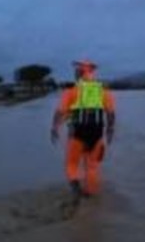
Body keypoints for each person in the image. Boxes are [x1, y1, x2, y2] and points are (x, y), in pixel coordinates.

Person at [50, 60, 116, 205]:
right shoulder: (103, 91)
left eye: (76, 72)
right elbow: (111, 114)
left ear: (79, 74)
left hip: (77, 134)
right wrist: (110, 131)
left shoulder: (71, 91)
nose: (74, 75)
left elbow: (60, 113)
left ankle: (76, 191)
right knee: (92, 166)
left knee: (72, 164)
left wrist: (54, 129)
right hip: (97, 134)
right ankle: (91, 198)